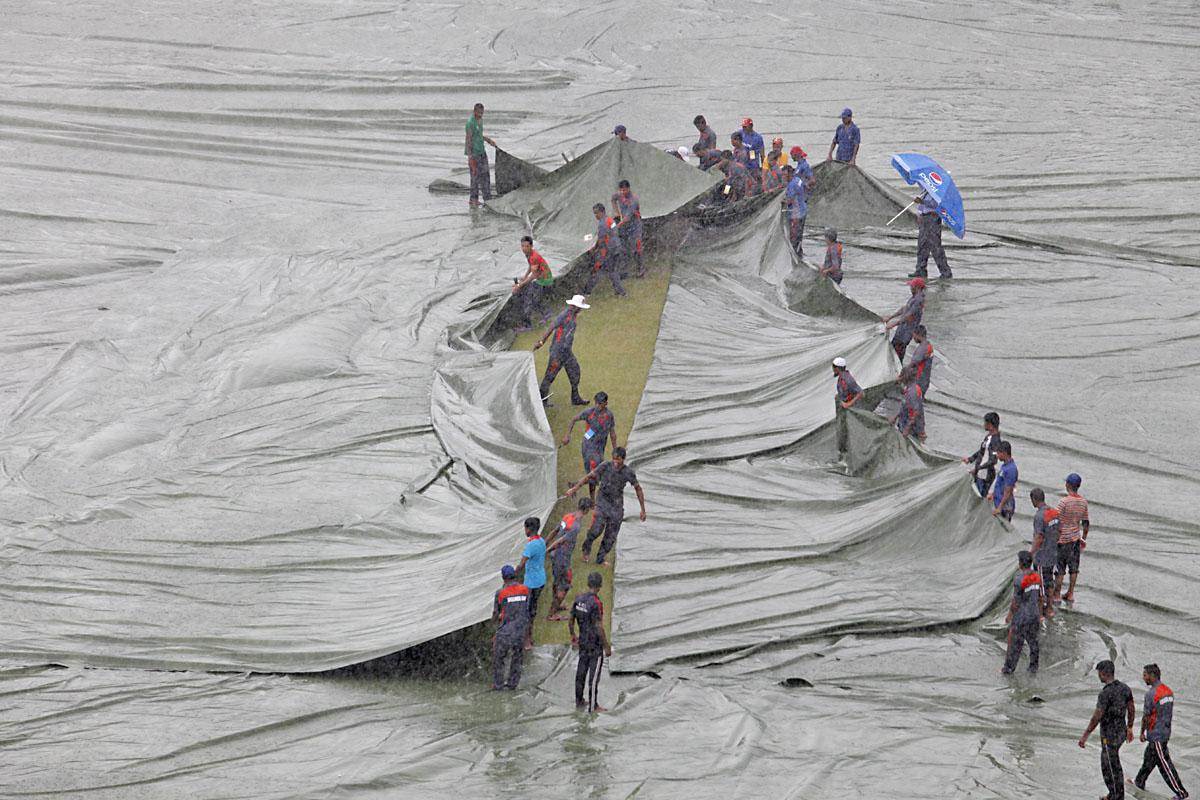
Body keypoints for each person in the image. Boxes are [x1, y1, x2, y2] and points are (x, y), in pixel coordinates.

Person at [568, 446, 646, 567]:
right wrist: (575, 488)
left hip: (616, 504)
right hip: (603, 501)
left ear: (623, 459)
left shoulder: (628, 472)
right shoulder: (605, 466)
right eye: (614, 458)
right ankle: (586, 547)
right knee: (597, 528)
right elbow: (590, 476)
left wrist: (643, 510)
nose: (615, 462)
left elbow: (638, 489)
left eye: (618, 459)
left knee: (611, 535)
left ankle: (600, 558)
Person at [1078, 659, 1135, 800]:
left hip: (1109, 735)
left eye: (1099, 673)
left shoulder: (1105, 693)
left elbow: (1097, 717)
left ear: (1103, 674)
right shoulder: (1125, 688)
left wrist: (1085, 735)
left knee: (1109, 766)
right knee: (1112, 762)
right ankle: (1113, 794)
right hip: (1121, 732)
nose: (1098, 676)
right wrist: (1130, 727)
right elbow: (1131, 708)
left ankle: (1117, 796)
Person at [1134, 663, 1189, 798]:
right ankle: (1139, 782)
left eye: (1145, 675)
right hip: (1165, 732)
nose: (1143, 677)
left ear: (1152, 676)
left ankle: (1181, 792)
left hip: (1156, 735)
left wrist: (1142, 733)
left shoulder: (1151, 694)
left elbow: (1146, 716)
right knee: (1149, 759)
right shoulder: (1168, 691)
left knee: (1164, 764)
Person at [563, 391, 619, 502]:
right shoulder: (590, 413)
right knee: (594, 474)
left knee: (597, 473)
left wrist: (615, 449)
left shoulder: (609, 416)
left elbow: (612, 433)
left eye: (600, 403)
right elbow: (574, 419)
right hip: (589, 446)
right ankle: (593, 501)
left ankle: (575, 485)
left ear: (606, 403)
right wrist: (567, 435)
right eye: (596, 403)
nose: (597, 406)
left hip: (600, 447)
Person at [544, 498, 594, 621]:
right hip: (562, 558)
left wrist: (544, 544)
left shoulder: (567, 517)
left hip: (556, 556)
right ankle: (552, 614)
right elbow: (561, 541)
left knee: (557, 581)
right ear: (587, 510)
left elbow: (555, 531)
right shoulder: (576, 525)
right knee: (565, 586)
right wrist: (546, 550)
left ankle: (557, 605)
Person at [535, 295, 589, 407]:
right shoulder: (565, 315)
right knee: (549, 376)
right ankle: (542, 401)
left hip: (567, 352)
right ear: (574, 306)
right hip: (558, 353)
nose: (581, 309)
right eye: (580, 307)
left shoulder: (573, 315)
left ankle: (575, 398)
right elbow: (551, 327)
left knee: (575, 372)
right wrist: (541, 342)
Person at [569, 571, 612, 712]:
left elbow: (570, 619)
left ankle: (579, 700)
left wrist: (573, 636)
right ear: (599, 586)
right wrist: (606, 646)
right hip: (594, 644)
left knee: (581, 672)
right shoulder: (596, 603)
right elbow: (599, 626)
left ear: (588, 584)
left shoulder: (578, 599)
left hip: (583, 642)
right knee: (593, 678)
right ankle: (593, 706)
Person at [1001, 550, 1042, 674]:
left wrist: (1009, 615)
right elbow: (1040, 598)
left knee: (1015, 644)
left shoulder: (1019, 579)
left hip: (1022, 616)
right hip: (1034, 614)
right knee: (1033, 641)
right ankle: (1033, 667)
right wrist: (1039, 614)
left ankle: (1009, 669)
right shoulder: (1036, 576)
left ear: (1020, 564)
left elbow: (1016, 601)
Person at [491, 564, 530, 690]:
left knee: (499, 658)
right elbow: (528, 610)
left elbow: (496, 614)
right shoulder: (525, 590)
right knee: (517, 657)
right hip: (519, 631)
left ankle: (498, 684)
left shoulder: (501, 593)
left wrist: (495, 628)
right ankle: (513, 683)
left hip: (505, 632)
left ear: (503, 578)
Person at [1054, 472, 1090, 603]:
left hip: (1063, 539)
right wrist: (1083, 539)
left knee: (1060, 569)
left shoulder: (1063, 502)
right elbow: (1086, 523)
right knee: (1074, 568)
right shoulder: (1083, 502)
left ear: (1068, 485)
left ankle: (1057, 595)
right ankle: (1070, 593)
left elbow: (1056, 519)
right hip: (1075, 539)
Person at [515, 517, 547, 649]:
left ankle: (527, 640)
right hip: (540, 579)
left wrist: (513, 574)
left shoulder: (531, 545)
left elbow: (521, 564)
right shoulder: (541, 541)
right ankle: (529, 637)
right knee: (532, 610)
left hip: (531, 583)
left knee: (526, 612)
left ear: (528, 529)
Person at [582, 203, 626, 298]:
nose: (595, 216)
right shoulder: (610, 220)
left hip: (608, 250)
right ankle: (619, 292)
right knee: (612, 271)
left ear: (602, 212)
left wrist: (594, 249)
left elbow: (602, 240)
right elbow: (612, 234)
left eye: (596, 213)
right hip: (616, 248)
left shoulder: (602, 224)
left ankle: (587, 291)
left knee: (598, 270)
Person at [1029, 488, 1060, 618]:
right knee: (1050, 581)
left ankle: (1041, 613)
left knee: (1041, 584)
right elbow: (1059, 532)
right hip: (1053, 553)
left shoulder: (1039, 516)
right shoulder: (1054, 512)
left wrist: (1031, 553)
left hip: (1042, 556)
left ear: (1034, 500)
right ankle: (1050, 608)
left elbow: (1039, 537)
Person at [512, 235, 553, 331]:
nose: (524, 248)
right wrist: (524, 277)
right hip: (542, 277)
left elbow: (533, 276)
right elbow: (531, 266)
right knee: (534, 298)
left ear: (531, 246)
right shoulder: (529, 254)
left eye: (526, 246)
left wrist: (519, 285)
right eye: (522, 246)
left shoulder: (534, 257)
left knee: (528, 300)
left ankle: (527, 325)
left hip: (544, 280)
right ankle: (546, 312)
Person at [910, 190, 953, 279]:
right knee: (922, 245)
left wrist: (922, 201)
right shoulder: (925, 190)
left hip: (933, 217)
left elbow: (935, 205)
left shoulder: (938, 191)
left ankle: (945, 271)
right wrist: (920, 213)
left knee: (935, 246)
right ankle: (920, 270)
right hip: (925, 218)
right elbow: (922, 206)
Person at [882, 277, 926, 361]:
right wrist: (890, 317)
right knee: (894, 352)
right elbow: (904, 309)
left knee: (897, 355)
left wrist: (894, 323)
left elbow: (910, 316)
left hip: (906, 333)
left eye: (911, 286)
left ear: (917, 287)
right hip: (902, 330)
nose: (910, 288)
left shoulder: (918, 300)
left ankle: (898, 372)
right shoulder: (914, 297)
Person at [611, 180, 645, 278]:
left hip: (635, 224)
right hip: (624, 225)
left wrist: (616, 226)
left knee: (636, 247)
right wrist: (617, 214)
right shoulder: (619, 195)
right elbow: (613, 199)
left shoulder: (633, 200)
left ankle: (640, 269)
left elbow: (627, 218)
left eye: (624, 190)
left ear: (629, 189)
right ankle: (623, 271)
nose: (622, 193)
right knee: (623, 247)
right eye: (621, 190)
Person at [963, 412, 1001, 497]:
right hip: (979, 474)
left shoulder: (996, 441)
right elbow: (982, 451)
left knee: (980, 498)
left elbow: (993, 460)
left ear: (990, 424)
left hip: (986, 477)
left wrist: (978, 468)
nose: (984, 425)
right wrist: (970, 459)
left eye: (985, 423)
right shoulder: (988, 437)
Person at [465, 102, 496, 207]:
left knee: (485, 174)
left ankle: (487, 198)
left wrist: (488, 140)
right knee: (475, 177)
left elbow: (478, 135)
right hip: (474, 153)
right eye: (479, 113)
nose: (480, 115)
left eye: (482, 113)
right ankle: (473, 199)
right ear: (474, 112)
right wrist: (470, 157)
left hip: (481, 151)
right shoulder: (470, 123)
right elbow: (468, 140)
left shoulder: (480, 121)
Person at [890, 367, 925, 442]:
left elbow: (916, 412)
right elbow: (905, 406)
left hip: (912, 427)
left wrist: (907, 428)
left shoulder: (912, 393)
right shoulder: (909, 389)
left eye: (901, 376)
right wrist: (896, 417)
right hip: (905, 420)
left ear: (906, 378)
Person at [783, 164, 811, 257]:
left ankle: (795, 256)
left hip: (796, 215)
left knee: (794, 238)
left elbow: (790, 201)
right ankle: (799, 253)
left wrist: (782, 201)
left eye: (784, 175)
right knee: (799, 237)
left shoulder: (792, 184)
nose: (783, 177)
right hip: (803, 210)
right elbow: (806, 188)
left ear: (790, 174)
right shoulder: (798, 179)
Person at [988, 441, 1018, 520]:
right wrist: (993, 494)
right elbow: (1000, 484)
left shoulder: (1011, 469)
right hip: (998, 502)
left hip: (1005, 508)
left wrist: (1000, 508)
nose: (997, 456)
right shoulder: (1004, 466)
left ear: (1004, 453)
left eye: (998, 453)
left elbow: (1008, 491)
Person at [904, 325, 933, 395]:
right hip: (925, 380)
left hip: (918, 381)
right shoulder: (929, 346)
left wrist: (901, 377)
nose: (913, 338)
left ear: (918, 335)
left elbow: (912, 365)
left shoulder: (922, 349)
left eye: (914, 335)